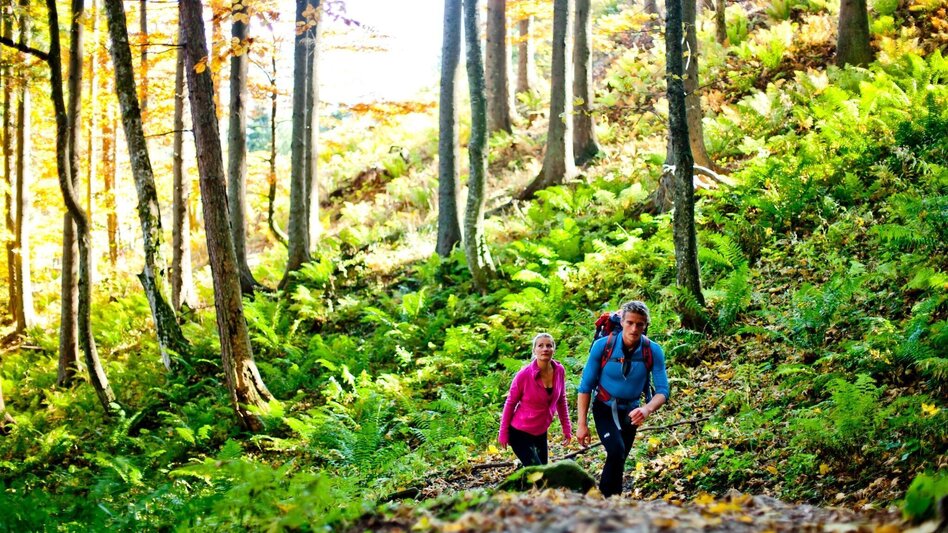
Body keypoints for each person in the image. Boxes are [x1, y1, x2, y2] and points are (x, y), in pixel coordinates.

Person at [576, 301, 669, 497]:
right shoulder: (603, 346)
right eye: (630, 323)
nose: (634, 329)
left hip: (631, 412)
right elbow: (585, 387)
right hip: (604, 408)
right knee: (617, 452)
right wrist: (581, 424)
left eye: (640, 324)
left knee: (618, 458)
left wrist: (647, 409)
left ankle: (603, 503)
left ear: (646, 326)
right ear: (622, 322)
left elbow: (663, 390)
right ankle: (610, 504)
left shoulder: (652, 351)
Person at [498, 333, 573, 467]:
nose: (545, 349)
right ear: (534, 350)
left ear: (553, 350)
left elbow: (561, 399)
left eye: (549, 345)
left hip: (541, 431)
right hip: (520, 433)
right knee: (539, 474)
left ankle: (524, 486)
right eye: (541, 346)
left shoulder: (559, 370)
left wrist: (567, 428)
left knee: (542, 471)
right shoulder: (524, 375)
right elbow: (510, 404)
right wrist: (503, 432)